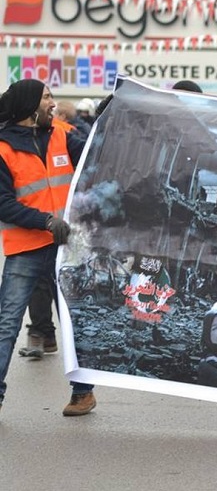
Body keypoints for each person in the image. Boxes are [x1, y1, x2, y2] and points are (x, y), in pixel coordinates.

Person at [0, 79, 96, 416]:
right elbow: (3, 203)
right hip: (26, 248)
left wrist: (108, 118)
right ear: (29, 105)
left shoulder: (62, 135)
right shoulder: (2, 149)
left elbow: (97, 155)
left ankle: (83, 393)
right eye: (46, 97)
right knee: (7, 324)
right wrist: (45, 221)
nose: (52, 102)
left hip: (66, 248)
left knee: (75, 321)